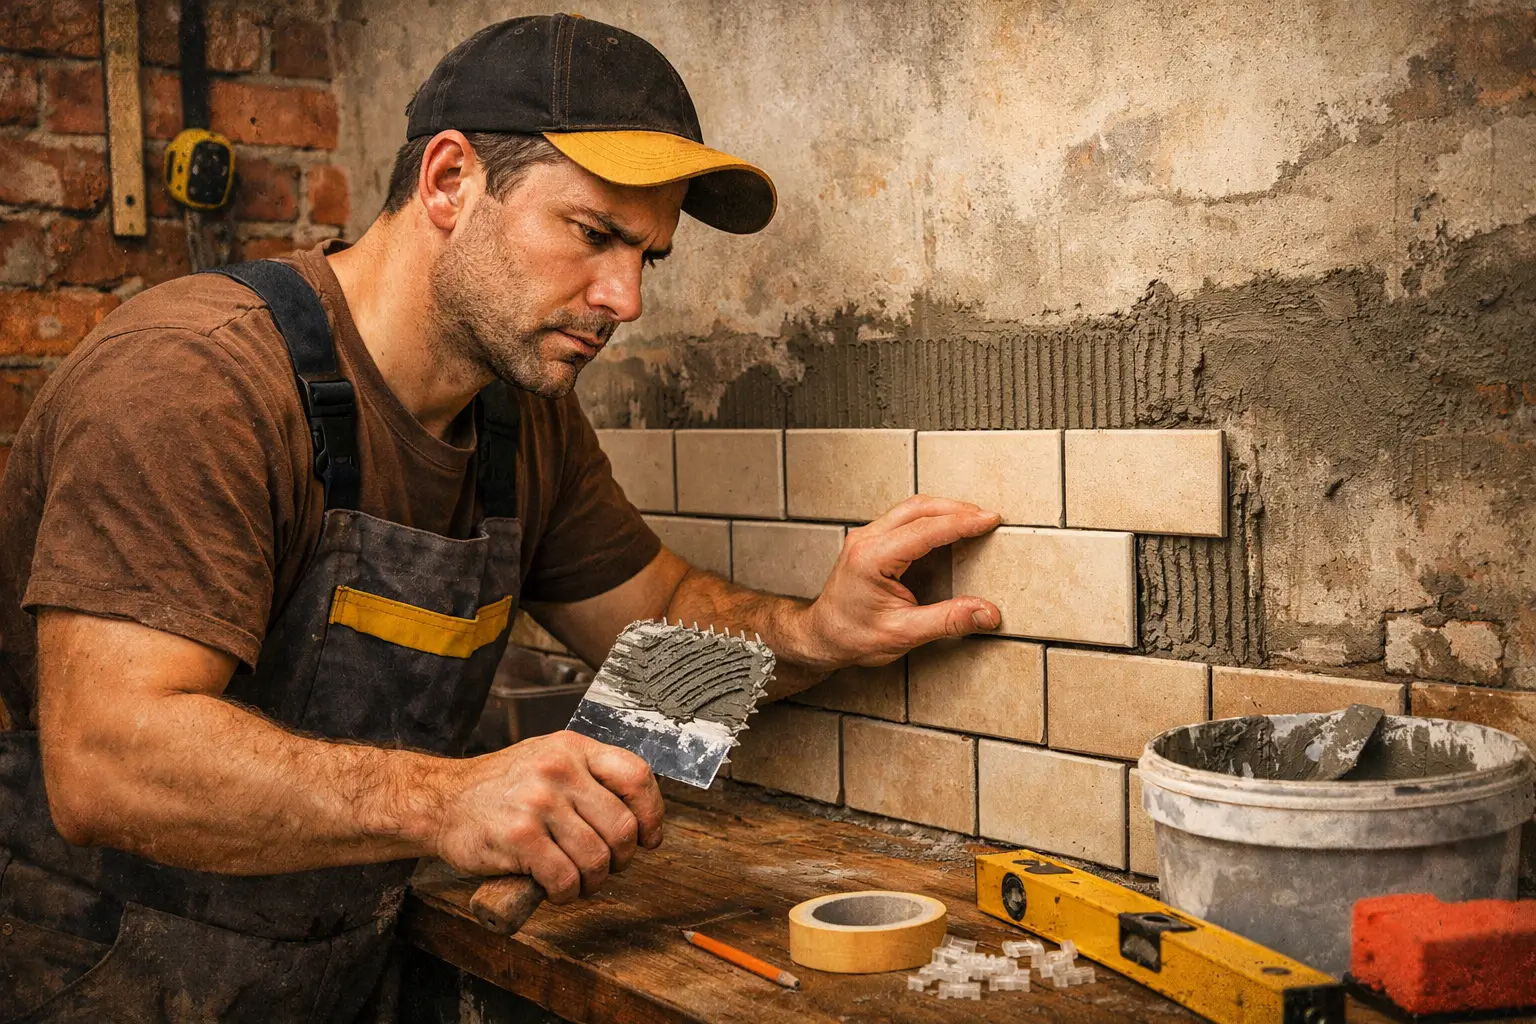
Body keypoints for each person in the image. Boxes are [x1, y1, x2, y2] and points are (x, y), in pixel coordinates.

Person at [0, 14, 1001, 1021]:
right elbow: (104, 761)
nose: (626, 298)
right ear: (448, 181)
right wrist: (448, 801)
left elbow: (659, 633)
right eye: (594, 234)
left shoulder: (523, 419)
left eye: (648, 256)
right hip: (103, 974)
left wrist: (819, 634)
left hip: (338, 966)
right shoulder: (194, 378)